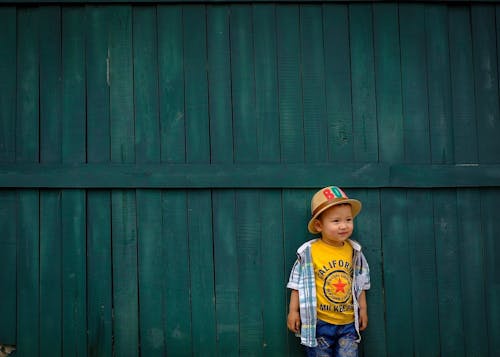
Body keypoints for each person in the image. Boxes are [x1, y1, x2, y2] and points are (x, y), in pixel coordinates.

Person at [287, 186, 370, 357]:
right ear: (319, 225)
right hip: (319, 324)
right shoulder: (309, 252)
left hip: (348, 324)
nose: (344, 226)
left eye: (348, 219)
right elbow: (297, 284)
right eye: (336, 221)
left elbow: (361, 283)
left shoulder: (354, 251)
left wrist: (363, 309)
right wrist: (293, 311)